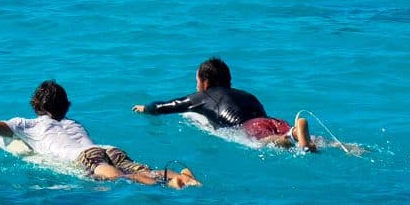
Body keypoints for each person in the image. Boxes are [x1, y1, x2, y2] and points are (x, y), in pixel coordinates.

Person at [0, 80, 200, 187]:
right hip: (107, 147)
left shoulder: (30, 125)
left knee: (124, 178)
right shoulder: (74, 123)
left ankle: (169, 183)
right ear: (67, 106)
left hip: (86, 157)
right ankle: (179, 176)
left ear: (36, 107)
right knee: (139, 168)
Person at [134, 58, 362, 155]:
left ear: (204, 82)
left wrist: (145, 108)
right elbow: (262, 116)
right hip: (271, 119)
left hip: (249, 125)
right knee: (283, 134)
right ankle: (345, 146)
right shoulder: (247, 94)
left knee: (264, 142)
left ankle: (293, 135)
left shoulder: (201, 96)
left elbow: (165, 106)